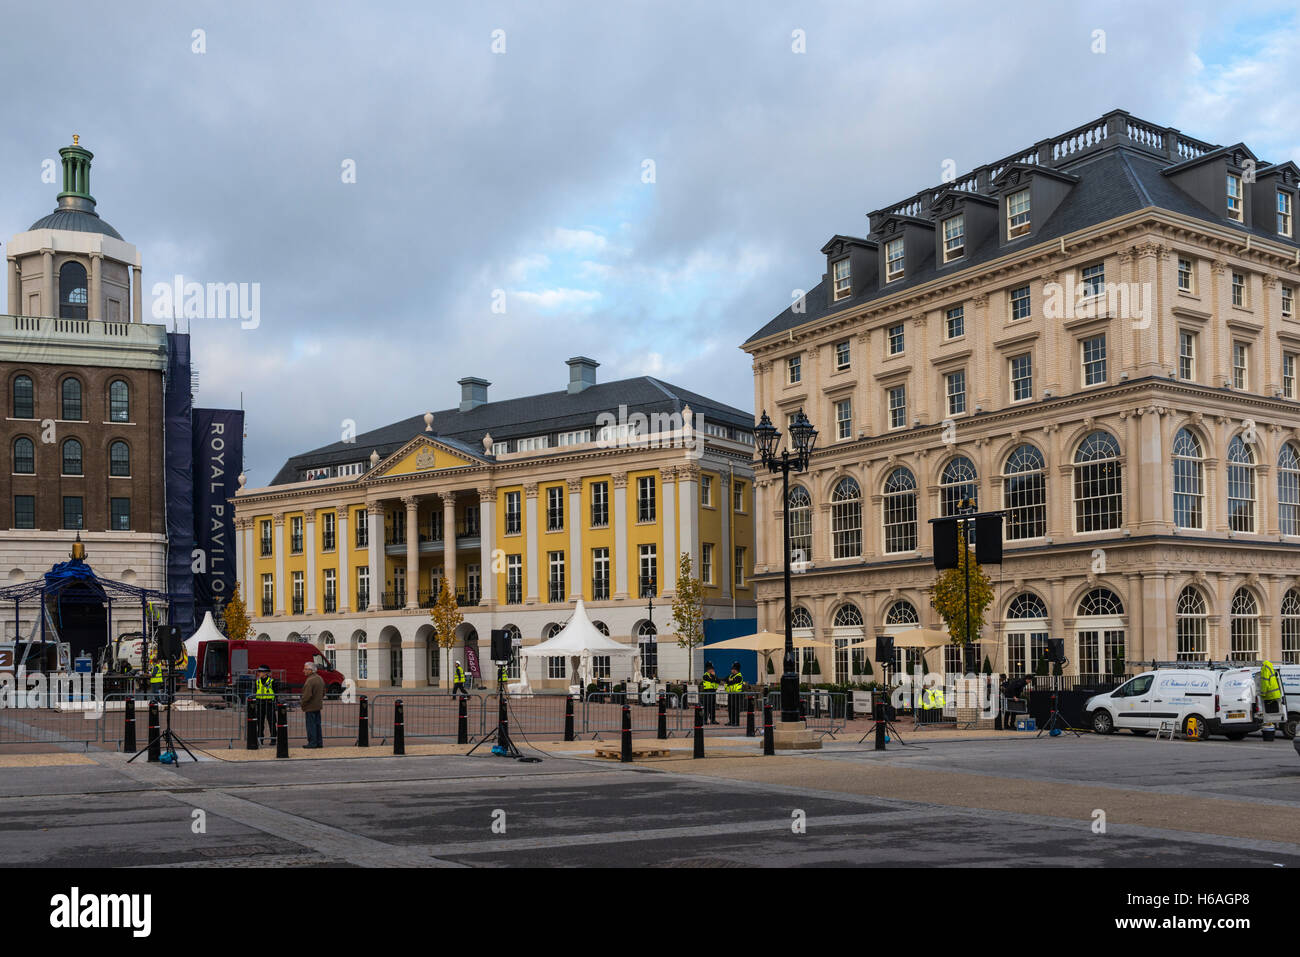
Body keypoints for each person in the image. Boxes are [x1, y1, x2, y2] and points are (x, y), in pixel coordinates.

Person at [300, 662, 325, 749]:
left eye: (305, 669)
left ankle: (312, 743)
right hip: (318, 706)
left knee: (311, 726)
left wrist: (302, 704)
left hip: (310, 707)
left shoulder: (310, 680)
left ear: (311, 670)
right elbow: (323, 692)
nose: (303, 671)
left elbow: (306, 696)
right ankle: (319, 742)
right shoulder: (320, 678)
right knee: (317, 725)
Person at [253, 664, 276, 743]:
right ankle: (260, 739)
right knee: (260, 722)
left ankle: (273, 739)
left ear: (266, 672)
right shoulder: (257, 681)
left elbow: (276, 693)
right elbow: (255, 691)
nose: (259, 673)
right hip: (260, 704)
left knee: (272, 722)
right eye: (259, 671)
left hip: (269, 703)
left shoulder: (272, 681)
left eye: (261, 671)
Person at [725, 661, 745, 726]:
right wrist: (728, 681)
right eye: (732, 669)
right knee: (730, 708)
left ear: (736, 670)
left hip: (737, 694)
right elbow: (725, 679)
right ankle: (731, 721)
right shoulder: (731, 676)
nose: (732, 670)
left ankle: (736, 722)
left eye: (733, 669)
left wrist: (729, 681)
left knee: (735, 709)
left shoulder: (739, 676)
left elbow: (732, 682)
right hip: (730, 694)